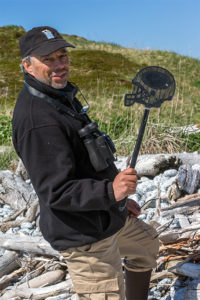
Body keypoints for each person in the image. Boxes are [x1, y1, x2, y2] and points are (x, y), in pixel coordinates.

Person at [12, 26, 159, 300]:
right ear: (27, 66)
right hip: (83, 235)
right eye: (49, 59)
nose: (60, 65)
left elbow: (87, 162)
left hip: (104, 215)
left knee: (146, 244)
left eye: (62, 56)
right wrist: (110, 192)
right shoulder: (37, 120)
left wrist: (117, 201)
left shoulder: (61, 97)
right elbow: (55, 191)